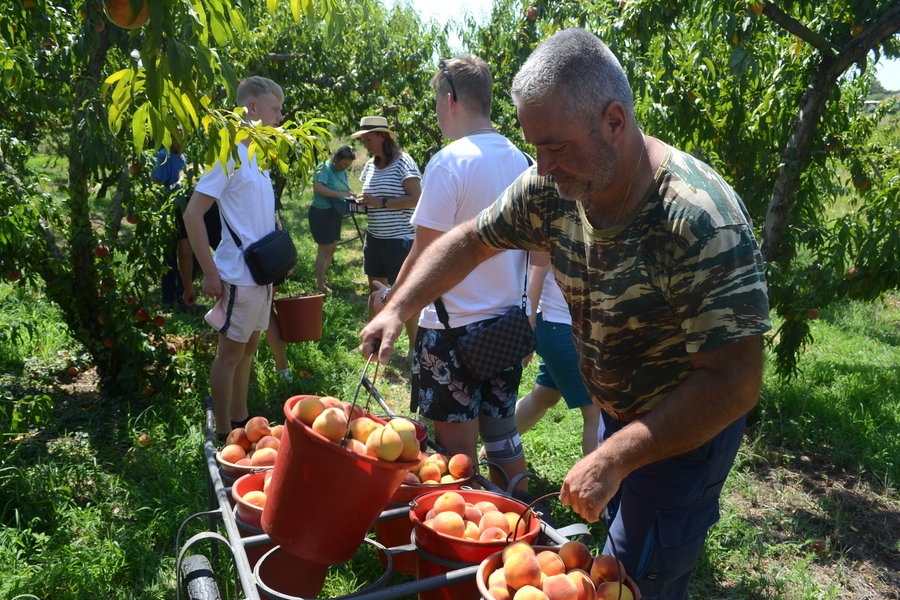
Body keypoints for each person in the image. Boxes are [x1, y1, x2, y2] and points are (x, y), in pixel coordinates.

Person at [360, 29, 771, 599]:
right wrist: (399, 306)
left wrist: (614, 457)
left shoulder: (697, 221)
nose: (543, 166)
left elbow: (735, 381)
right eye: (535, 147)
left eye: (555, 146)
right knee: (605, 569)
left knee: (636, 578)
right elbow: (469, 241)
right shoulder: (554, 187)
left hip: (681, 435)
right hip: (616, 415)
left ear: (614, 121)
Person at [374, 55, 531, 490]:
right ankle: (531, 522)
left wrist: (391, 305)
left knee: (457, 463)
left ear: (451, 99)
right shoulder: (522, 161)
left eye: (436, 100)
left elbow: (425, 254)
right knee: (502, 438)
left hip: (451, 332)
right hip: (504, 326)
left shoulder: (450, 162)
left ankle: (473, 541)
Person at [182, 75, 285, 436]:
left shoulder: (257, 156)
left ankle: (241, 420)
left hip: (261, 274)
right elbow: (193, 214)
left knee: (249, 348)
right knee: (229, 355)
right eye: (275, 108)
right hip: (240, 275)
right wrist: (209, 272)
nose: (280, 117)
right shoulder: (227, 155)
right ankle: (225, 433)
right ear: (252, 108)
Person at [516, 253, 601, 457]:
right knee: (596, 411)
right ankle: (597, 485)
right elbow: (538, 267)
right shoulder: (557, 221)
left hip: (571, 325)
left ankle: (495, 447)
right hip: (560, 325)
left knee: (545, 395)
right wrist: (528, 323)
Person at [350, 116, 421, 353]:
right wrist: (363, 203)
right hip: (375, 238)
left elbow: (415, 198)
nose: (366, 145)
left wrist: (380, 202)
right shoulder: (370, 165)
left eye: (369, 139)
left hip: (399, 240)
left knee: (404, 295)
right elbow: (373, 197)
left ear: (383, 136)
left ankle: (414, 348)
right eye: (363, 140)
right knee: (376, 292)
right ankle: (371, 343)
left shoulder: (404, 162)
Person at [310, 145, 356, 292]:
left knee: (332, 248)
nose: (345, 167)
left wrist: (352, 194)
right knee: (324, 249)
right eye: (344, 164)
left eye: (348, 165)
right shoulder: (324, 167)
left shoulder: (341, 172)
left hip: (335, 212)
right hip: (321, 213)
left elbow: (344, 189)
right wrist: (339, 194)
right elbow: (318, 188)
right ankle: (319, 284)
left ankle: (323, 278)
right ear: (336, 159)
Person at [151, 138, 190, 308]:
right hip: (170, 211)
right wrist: (162, 215)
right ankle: (168, 298)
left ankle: (181, 294)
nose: (180, 140)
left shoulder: (184, 157)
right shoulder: (163, 157)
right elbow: (156, 187)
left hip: (184, 211)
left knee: (186, 253)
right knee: (170, 256)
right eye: (176, 135)